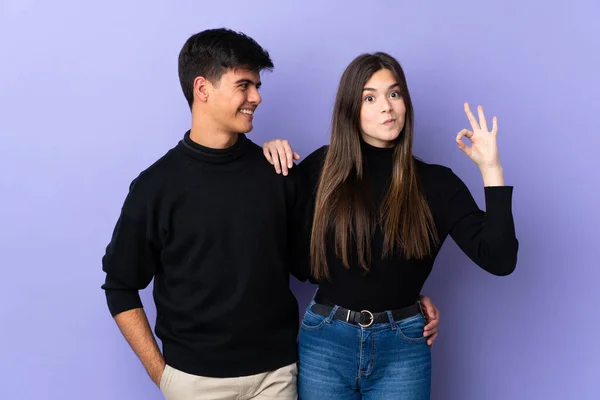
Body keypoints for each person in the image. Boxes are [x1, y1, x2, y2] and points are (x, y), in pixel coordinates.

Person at [100, 29, 441, 400]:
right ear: (202, 89)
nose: (257, 98)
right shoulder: (155, 187)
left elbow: (316, 266)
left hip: (277, 378)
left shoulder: (277, 173)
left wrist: (403, 297)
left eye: (257, 85)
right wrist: (162, 375)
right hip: (194, 381)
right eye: (244, 85)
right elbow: (120, 286)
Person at [262, 52, 518, 399]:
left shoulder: (437, 184)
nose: (387, 107)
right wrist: (269, 158)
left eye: (394, 94)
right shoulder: (321, 170)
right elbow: (292, 259)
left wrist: (491, 168)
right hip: (325, 341)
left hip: (403, 348)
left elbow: (500, 260)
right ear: (351, 109)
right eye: (370, 97)